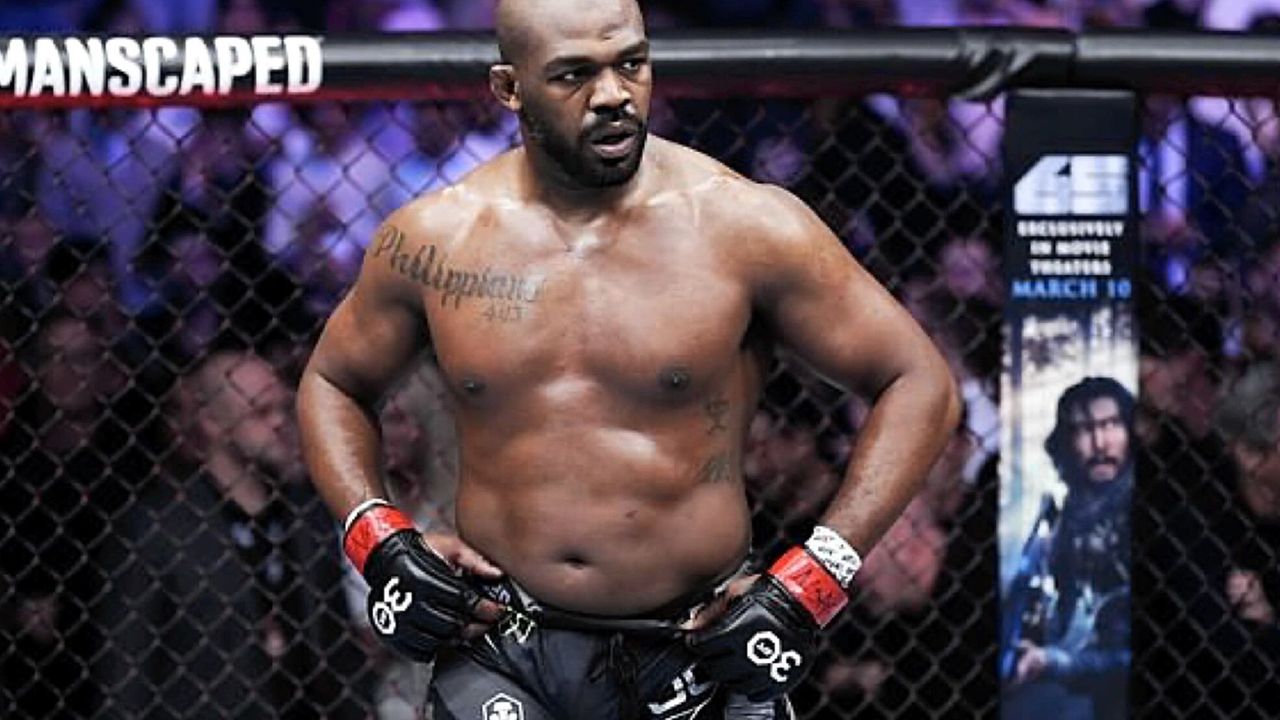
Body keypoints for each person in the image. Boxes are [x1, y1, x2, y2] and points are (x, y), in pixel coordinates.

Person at [296, 0, 961, 717]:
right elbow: (333, 382)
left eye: (632, 64)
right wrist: (377, 536)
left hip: (701, 646)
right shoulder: (439, 236)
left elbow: (920, 382)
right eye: (574, 74)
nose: (613, 94)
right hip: (502, 647)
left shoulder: (743, 225)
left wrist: (814, 579)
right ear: (509, 88)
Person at [95, 351, 372, 719]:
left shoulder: (308, 515)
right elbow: (127, 674)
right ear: (212, 423)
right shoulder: (158, 529)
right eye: (260, 412)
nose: (280, 422)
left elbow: (339, 650)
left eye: (284, 409)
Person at [1004, 377, 1134, 720]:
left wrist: (1056, 663)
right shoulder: (1071, 512)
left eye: (1111, 425)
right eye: (1084, 429)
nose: (1100, 443)